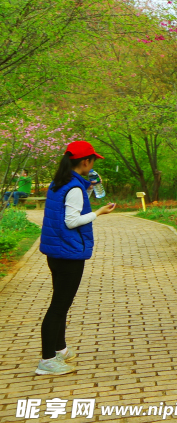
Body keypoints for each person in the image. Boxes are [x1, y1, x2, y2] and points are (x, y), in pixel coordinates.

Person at [36, 141, 116, 376]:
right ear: (85, 162)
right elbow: (71, 221)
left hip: (56, 252)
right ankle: (47, 360)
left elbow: (65, 212)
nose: (93, 164)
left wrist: (87, 193)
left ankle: (59, 349)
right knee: (59, 308)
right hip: (69, 254)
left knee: (61, 304)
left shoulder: (58, 183)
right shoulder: (74, 188)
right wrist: (98, 212)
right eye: (93, 161)